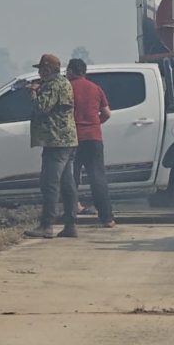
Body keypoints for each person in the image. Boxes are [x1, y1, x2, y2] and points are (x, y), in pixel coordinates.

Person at [24, 54, 80, 239]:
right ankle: (70, 225)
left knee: (49, 183)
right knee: (67, 184)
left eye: (42, 68)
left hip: (55, 141)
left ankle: (47, 225)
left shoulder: (53, 85)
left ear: (50, 69)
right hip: (67, 140)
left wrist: (33, 91)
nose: (40, 71)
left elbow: (42, 107)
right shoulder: (64, 83)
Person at [66, 59, 116, 228]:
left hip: (73, 139)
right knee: (98, 178)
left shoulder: (67, 88)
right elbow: (107, 113)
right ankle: (107, 218)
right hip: (94, 138)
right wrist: (95, 124)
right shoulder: (95, 88)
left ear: (71, 71)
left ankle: (71, 216)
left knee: (72, 178)